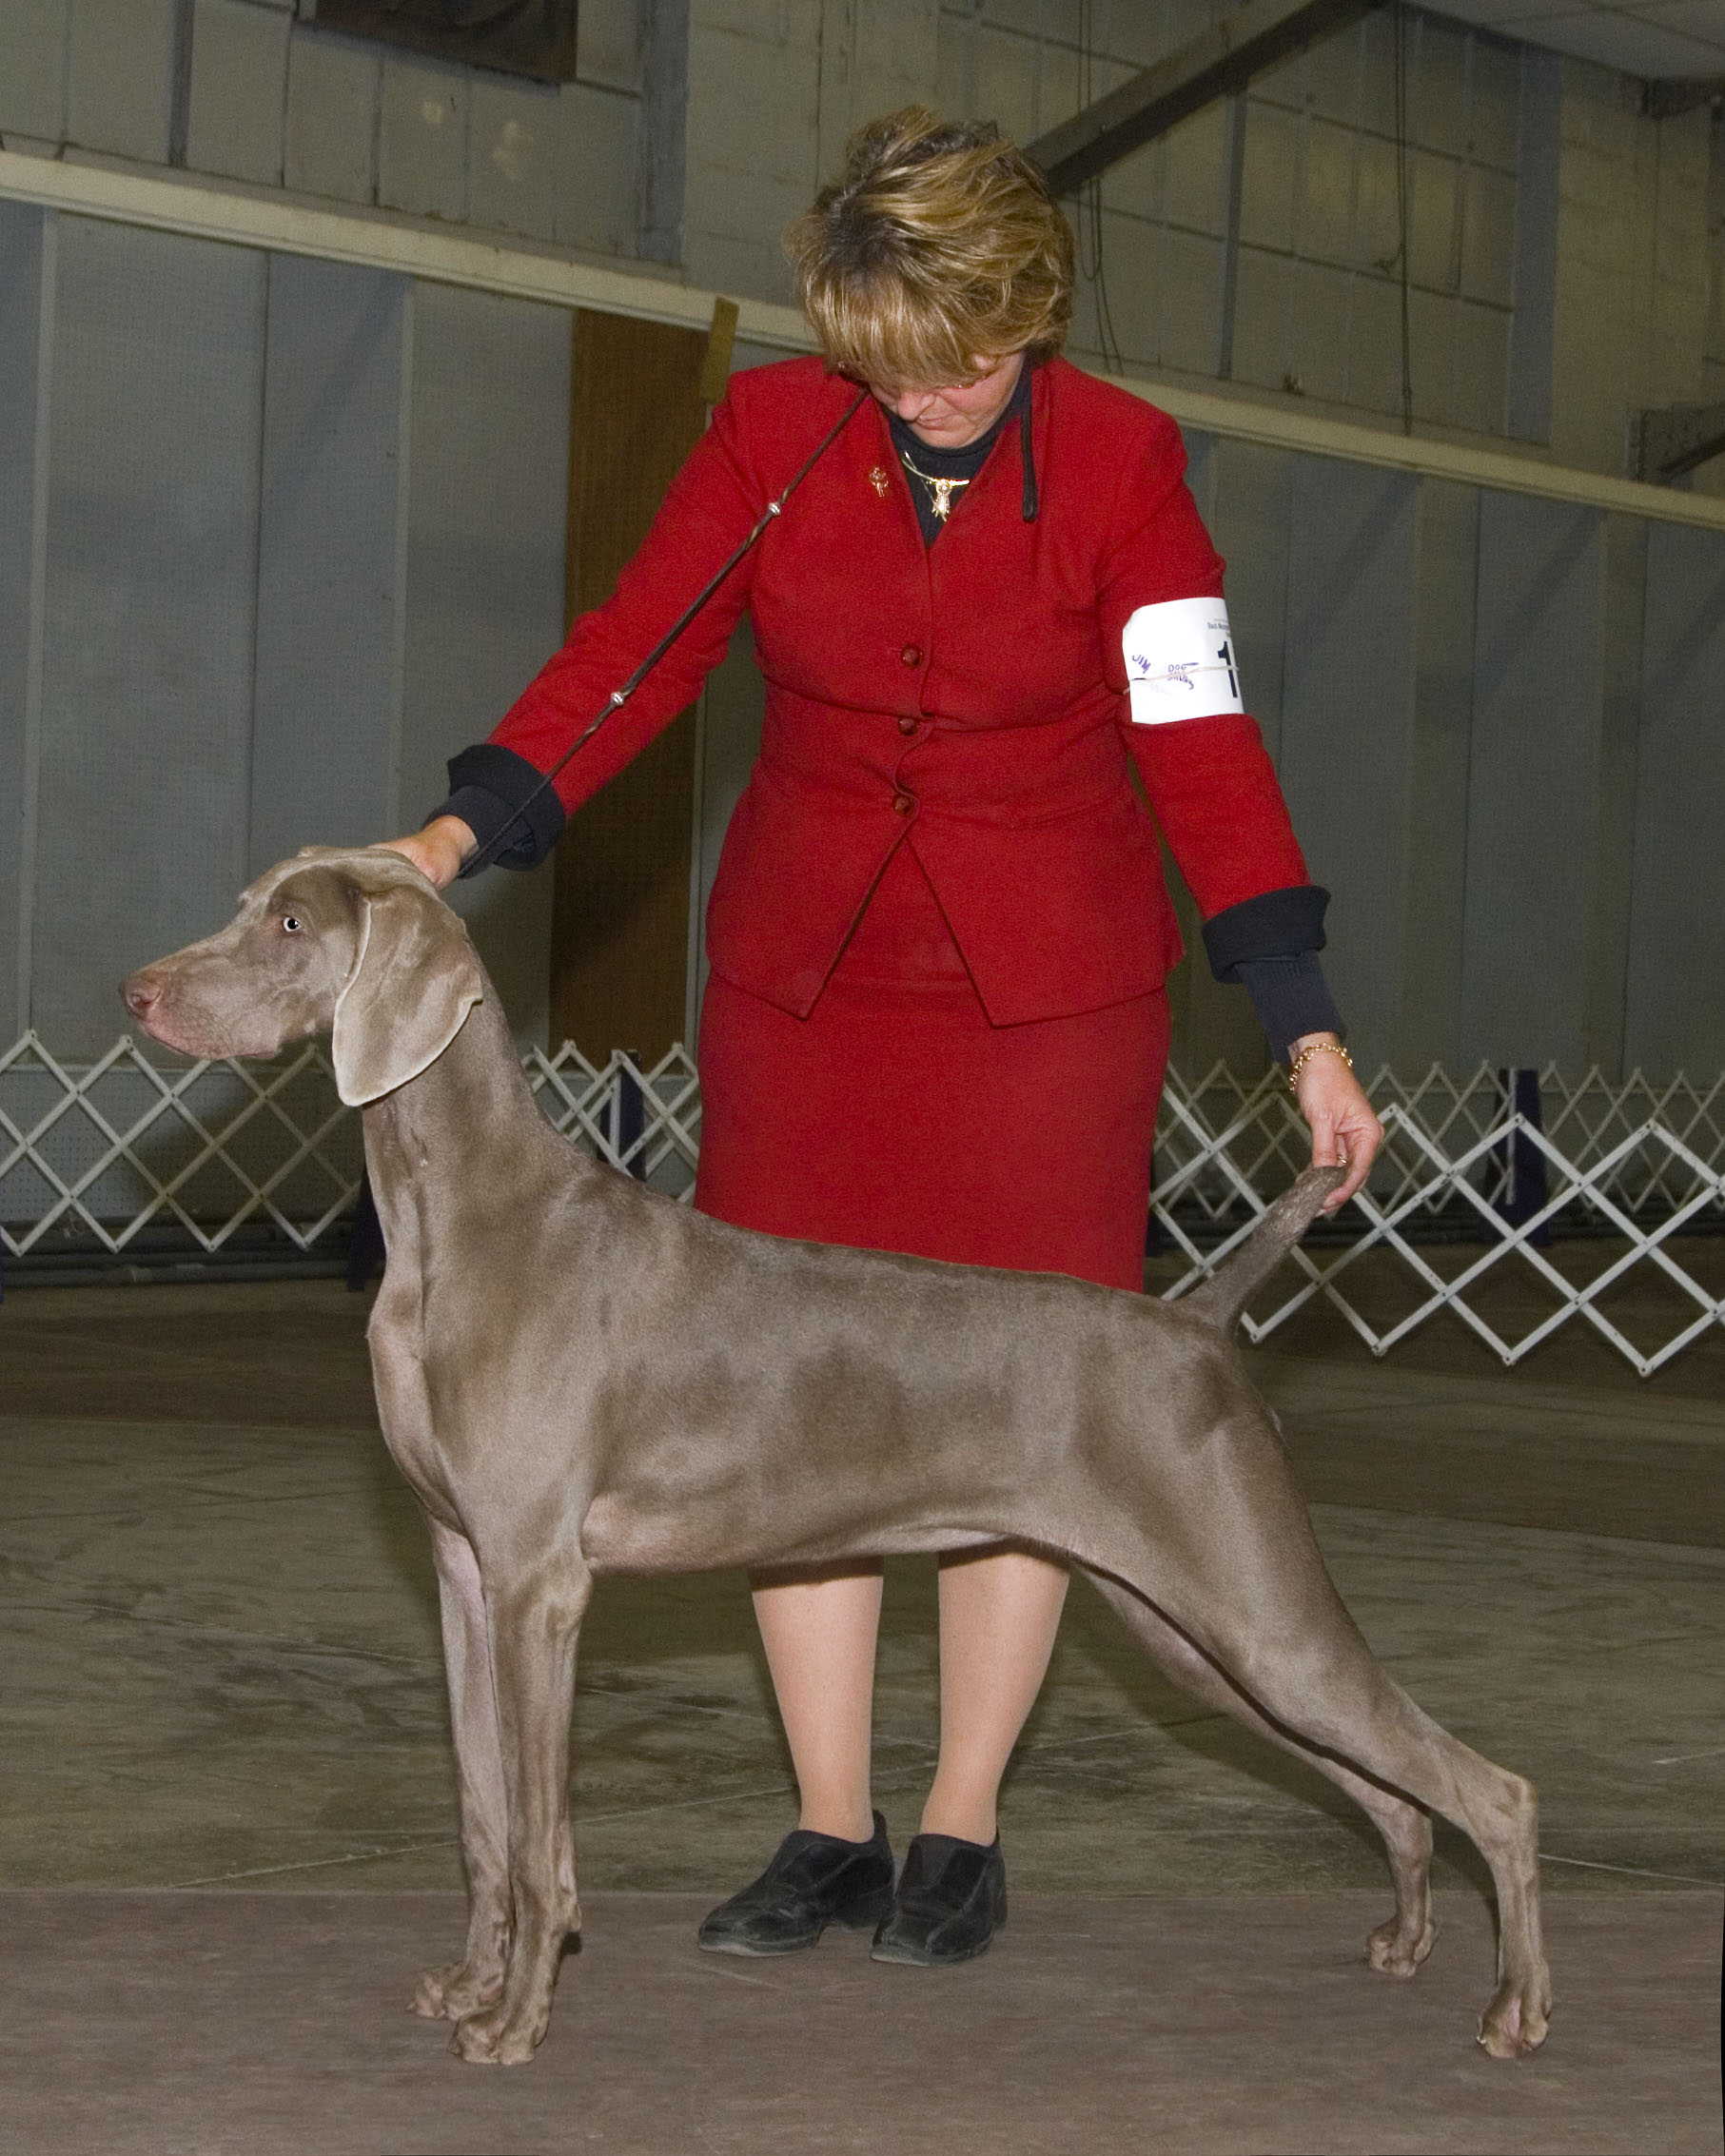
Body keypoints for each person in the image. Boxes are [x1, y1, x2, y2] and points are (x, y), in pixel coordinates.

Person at [382, 107, 1382, 1970]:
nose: (924, 393)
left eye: (966, 357)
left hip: (1045, 1017)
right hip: (805, 997)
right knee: (788, 1405)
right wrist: (466, 828)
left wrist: (1304, 1025)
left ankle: (958, 1822)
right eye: (887, 360)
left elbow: (1202, 748)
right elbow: (634, 651)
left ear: (1033, 312)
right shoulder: (770, 437)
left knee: (1030, 1418)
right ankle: (828, 1821)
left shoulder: (1127, 466)